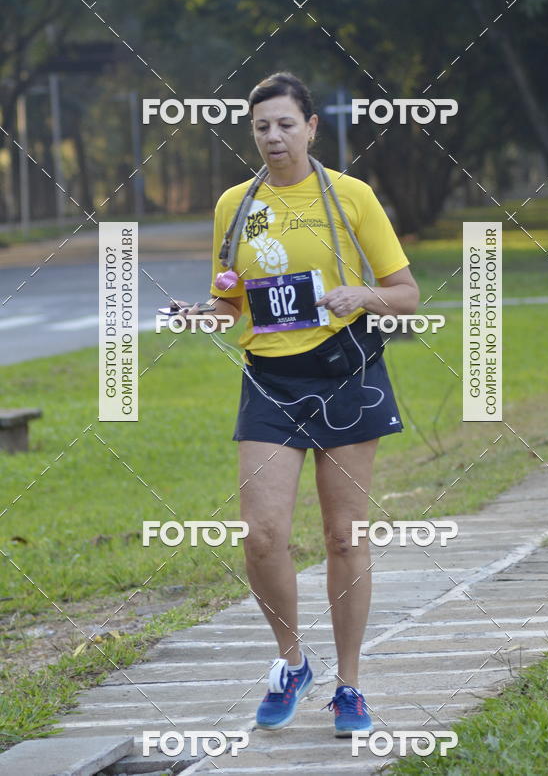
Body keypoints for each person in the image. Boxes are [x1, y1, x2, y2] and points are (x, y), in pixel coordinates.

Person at [176, 71, 419, 738]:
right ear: (250, 134)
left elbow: (406, 293)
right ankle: (292, 661)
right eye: (261, 126)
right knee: (262, 536)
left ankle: (350, 685)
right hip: (270, 381)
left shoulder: (350, 196)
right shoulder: (236, 205)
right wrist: (198, 315)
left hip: (346, 373)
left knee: (344, 535)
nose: (273, 136)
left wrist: (360, 296)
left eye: (286, 123)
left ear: (311, 128)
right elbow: (230, 301)